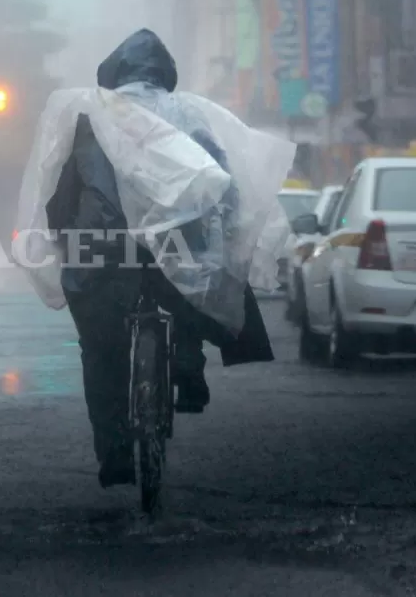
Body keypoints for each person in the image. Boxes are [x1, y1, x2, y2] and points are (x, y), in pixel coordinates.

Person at [44, 29, 275, 488]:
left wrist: (65, 240)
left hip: (103, 250)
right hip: (176, 245)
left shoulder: (89, 121)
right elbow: (222, 185)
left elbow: (61, 195)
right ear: (164, 77)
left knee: (101, 348)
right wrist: (227, 232)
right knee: (197, 286)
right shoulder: (189, 115)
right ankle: (188, 372)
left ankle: (114, 455)